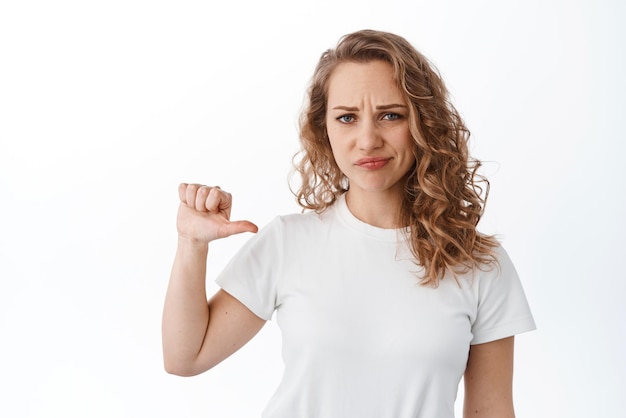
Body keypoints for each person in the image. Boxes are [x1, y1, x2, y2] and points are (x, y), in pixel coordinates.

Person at [161, 29, 535, 418]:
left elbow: (492, 412)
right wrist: (191, 244)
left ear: (424, 122)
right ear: (325, 129)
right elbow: (185, 357)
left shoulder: (479, 264)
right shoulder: (288, 242)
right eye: (347, 118)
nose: (368, 139)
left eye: (391, 115)